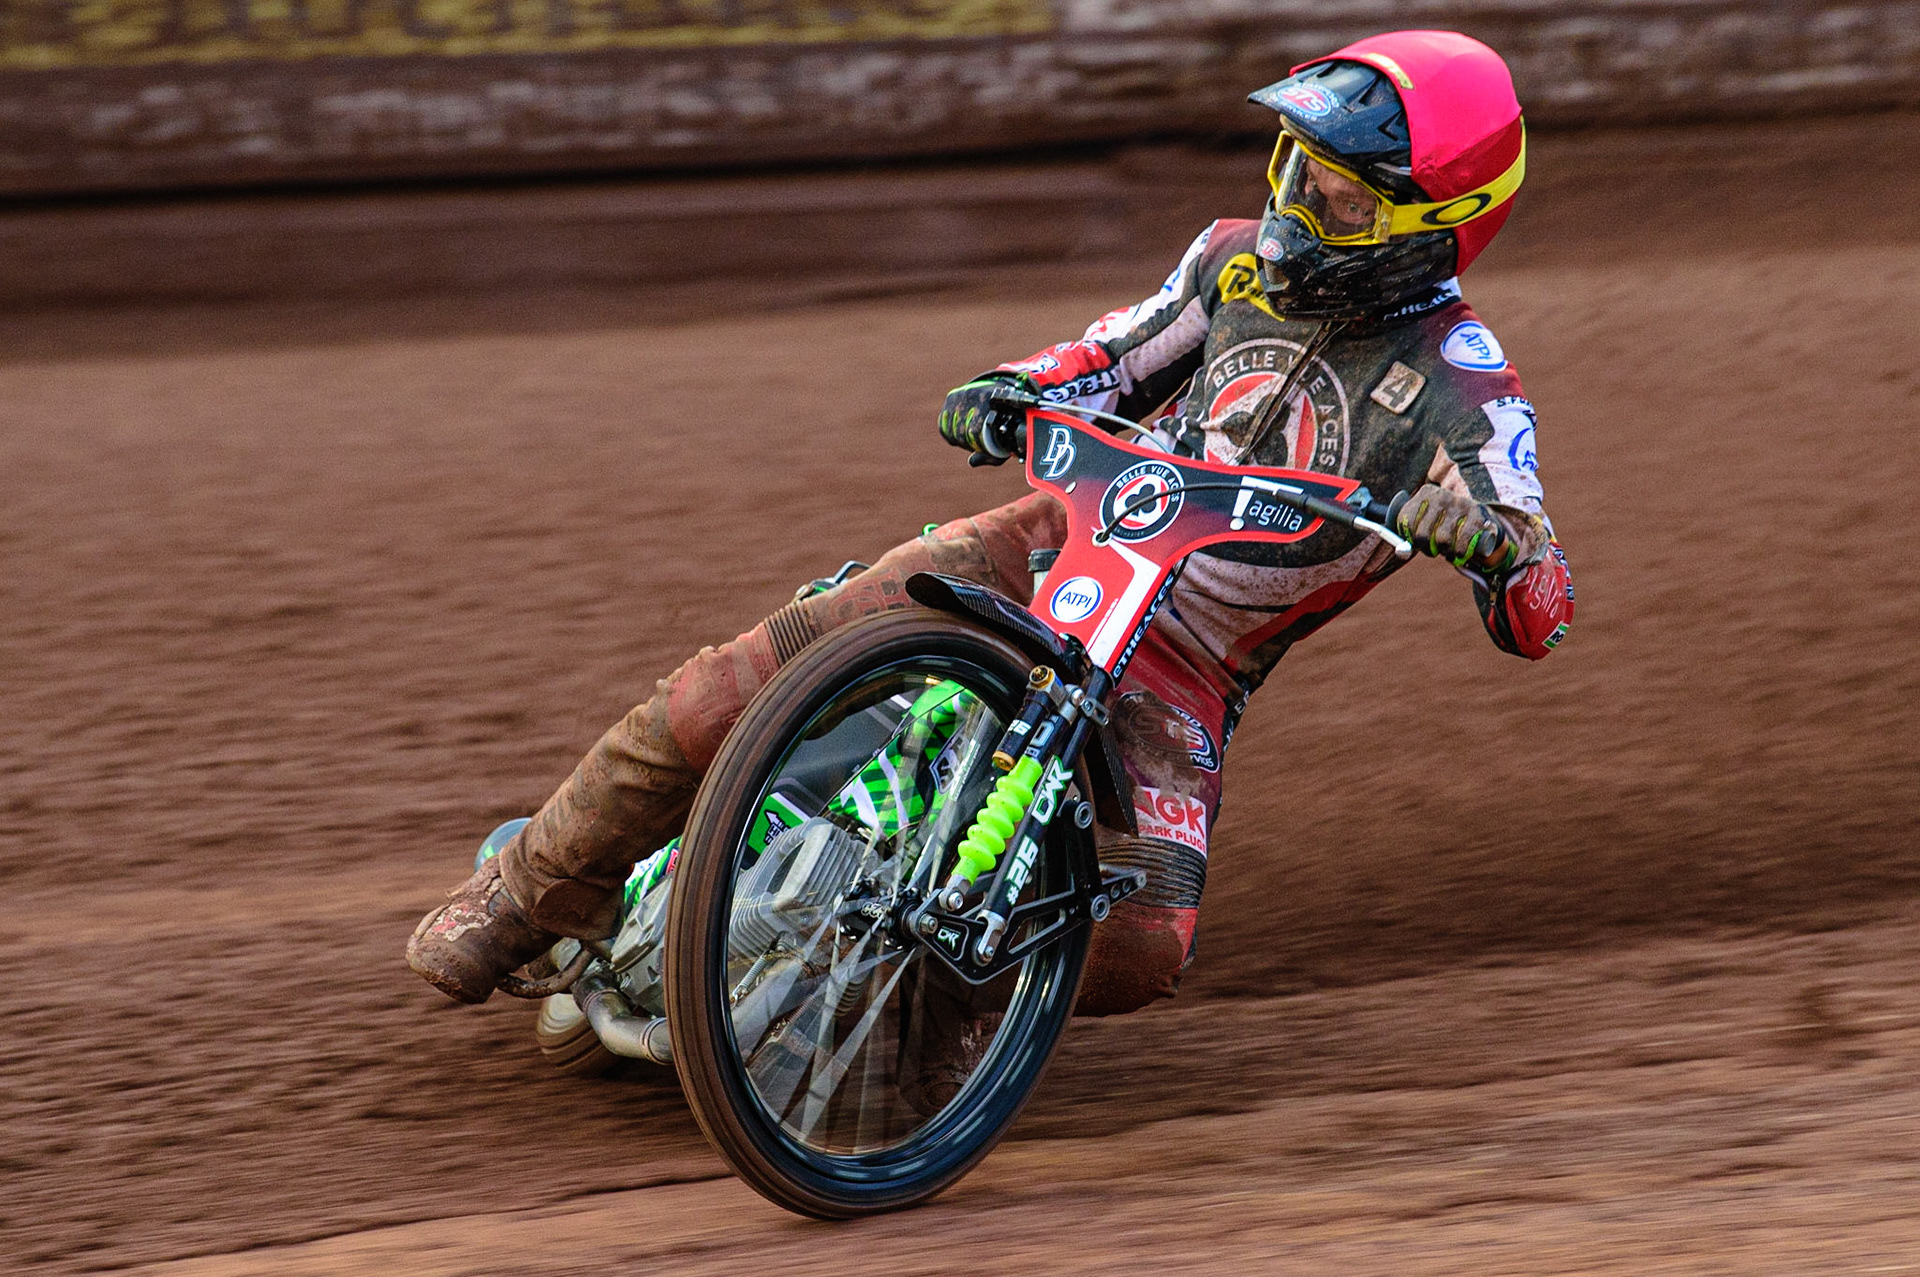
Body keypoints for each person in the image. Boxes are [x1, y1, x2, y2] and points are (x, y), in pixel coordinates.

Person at [408, 29, 1575, 1016]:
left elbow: (1543, 614)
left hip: (1183, 669)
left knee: (1142, 945)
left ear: (1441, 219)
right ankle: (518, 895)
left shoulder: (1471, 397)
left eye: (1341, 191)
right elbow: (1107, 356)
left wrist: (1496, 549)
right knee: (731, 684)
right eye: (1297, 163)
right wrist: (1011, 385)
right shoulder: (1232, 264)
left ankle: (867, 1024)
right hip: (1057, 539)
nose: (1298, 200)